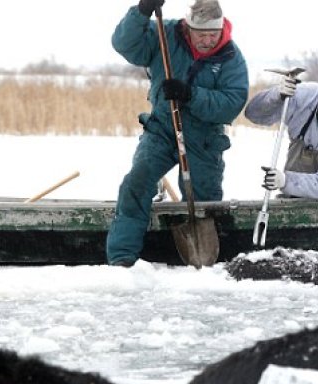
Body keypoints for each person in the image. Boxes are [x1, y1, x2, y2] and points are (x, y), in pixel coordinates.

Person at [106, 0, 248, 267]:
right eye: (201, 34)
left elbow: (232, 102)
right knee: (136, 183)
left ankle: (204, 261)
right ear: (188, 27)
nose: (207, 41)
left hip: (204, 138)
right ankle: (122, 259)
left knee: (204, 201)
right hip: (161, 129)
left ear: (222, 30)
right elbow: (126, 45)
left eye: (212, 35)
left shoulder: (231, 57)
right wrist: (142, 11)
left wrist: (191, 95)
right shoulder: (164, 34)